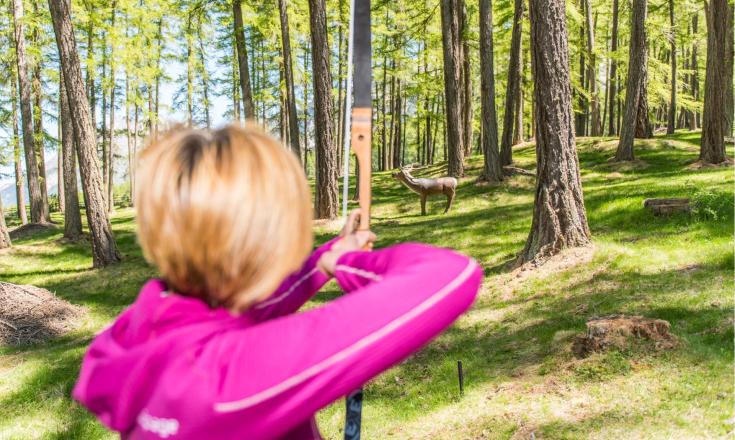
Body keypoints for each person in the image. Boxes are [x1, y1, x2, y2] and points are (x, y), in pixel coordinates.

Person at [73, 124, 483, 439]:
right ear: (264, 242)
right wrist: (352, 263)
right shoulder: (230, 376)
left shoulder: (141, 326)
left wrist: (324, 261)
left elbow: (242, 306)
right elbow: (451, 274)